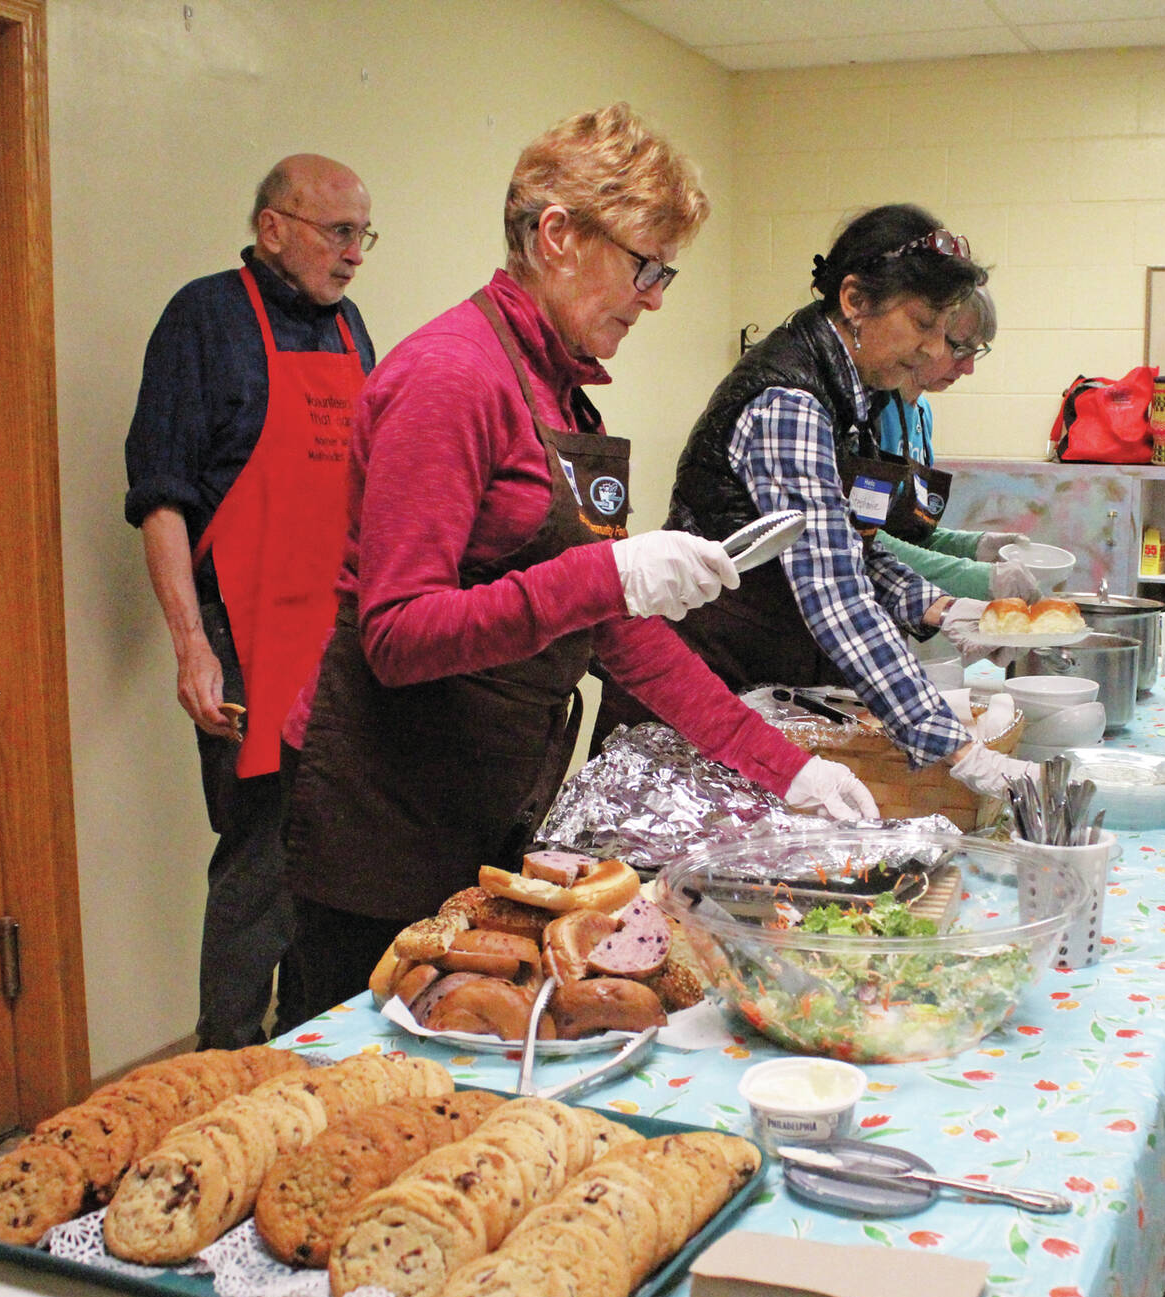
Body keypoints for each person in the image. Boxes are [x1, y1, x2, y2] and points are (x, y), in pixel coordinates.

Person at [280, 104, 876, 1011]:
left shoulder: (559, 393)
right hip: (385, 806)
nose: (655, 298)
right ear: (557, 235)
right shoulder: (452, 378)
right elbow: (396, 635)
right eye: (646, 266)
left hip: (486, 788)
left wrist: (787, 766)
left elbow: (620, 638)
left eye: (665, 273)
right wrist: (607, 573)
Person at [610, 205, 1036, 799]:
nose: (932, 350)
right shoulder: (790, 399)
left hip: (763, 678)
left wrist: (936, 606)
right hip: (708, 686)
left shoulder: (853, 393)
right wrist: (956, 747)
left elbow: (849, 543)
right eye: (922, 324)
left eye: (944, 330)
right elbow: (832, 589)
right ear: (856, 298)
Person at [125, 154, 378, 1049]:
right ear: (274, 227)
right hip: (242, 641)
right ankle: (224, 1067)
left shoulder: (351, 330)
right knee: (258, 868)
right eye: (337, 231)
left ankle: (306, 1058)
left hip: (337, 645)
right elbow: (160, 497)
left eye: (363, 235)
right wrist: (191, 649)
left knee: (330, 868)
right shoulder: (204, 319)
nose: (354, 254)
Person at [872, 287, 1038, 601]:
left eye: (977, 351)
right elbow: (862, 540)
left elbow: (908, 532)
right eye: (961, 349)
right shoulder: (871, 412)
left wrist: (973, 547)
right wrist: (975, 578)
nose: (968, 367)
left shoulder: (922, 414)